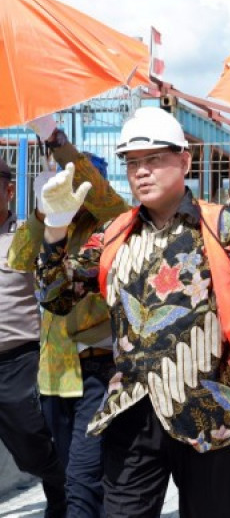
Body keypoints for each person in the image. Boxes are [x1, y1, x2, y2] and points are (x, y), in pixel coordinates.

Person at [35, 107, 230, 518]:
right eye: (133, 163)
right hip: (131, 411)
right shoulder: (114, 233)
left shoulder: (223, 227)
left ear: (184, 161)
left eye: (154, 160)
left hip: (209, 412)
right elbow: (56, 297)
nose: (141, 172)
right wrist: (56, 228)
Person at [8, 116, 126, 517]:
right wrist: (44, 215)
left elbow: (106, 197)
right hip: (56, 371)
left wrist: (55, 138)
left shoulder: (111, 226)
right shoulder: (51, 224)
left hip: (101, 366)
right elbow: (19, 259)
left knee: (83, 473)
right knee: (65, 473)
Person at [0, 157, 67, 518]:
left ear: (9, 190)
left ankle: (70, 487)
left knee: (30, 449)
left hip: (18, 360)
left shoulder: (27, 234)